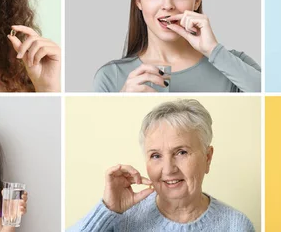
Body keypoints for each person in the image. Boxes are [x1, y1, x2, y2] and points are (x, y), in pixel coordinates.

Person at [69, 99, 255, 231]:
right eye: (156, 155)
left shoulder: (235, 225)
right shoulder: (121, 219)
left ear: (208, 158)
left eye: (181, 152)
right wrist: (107, 209)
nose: (168, 169)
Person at [93, 0, 260, 92]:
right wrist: (118, 103)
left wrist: (212, 50)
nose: (167, 5)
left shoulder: (234, 64)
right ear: (138, 0)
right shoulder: (110, 77)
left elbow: (275, 97)